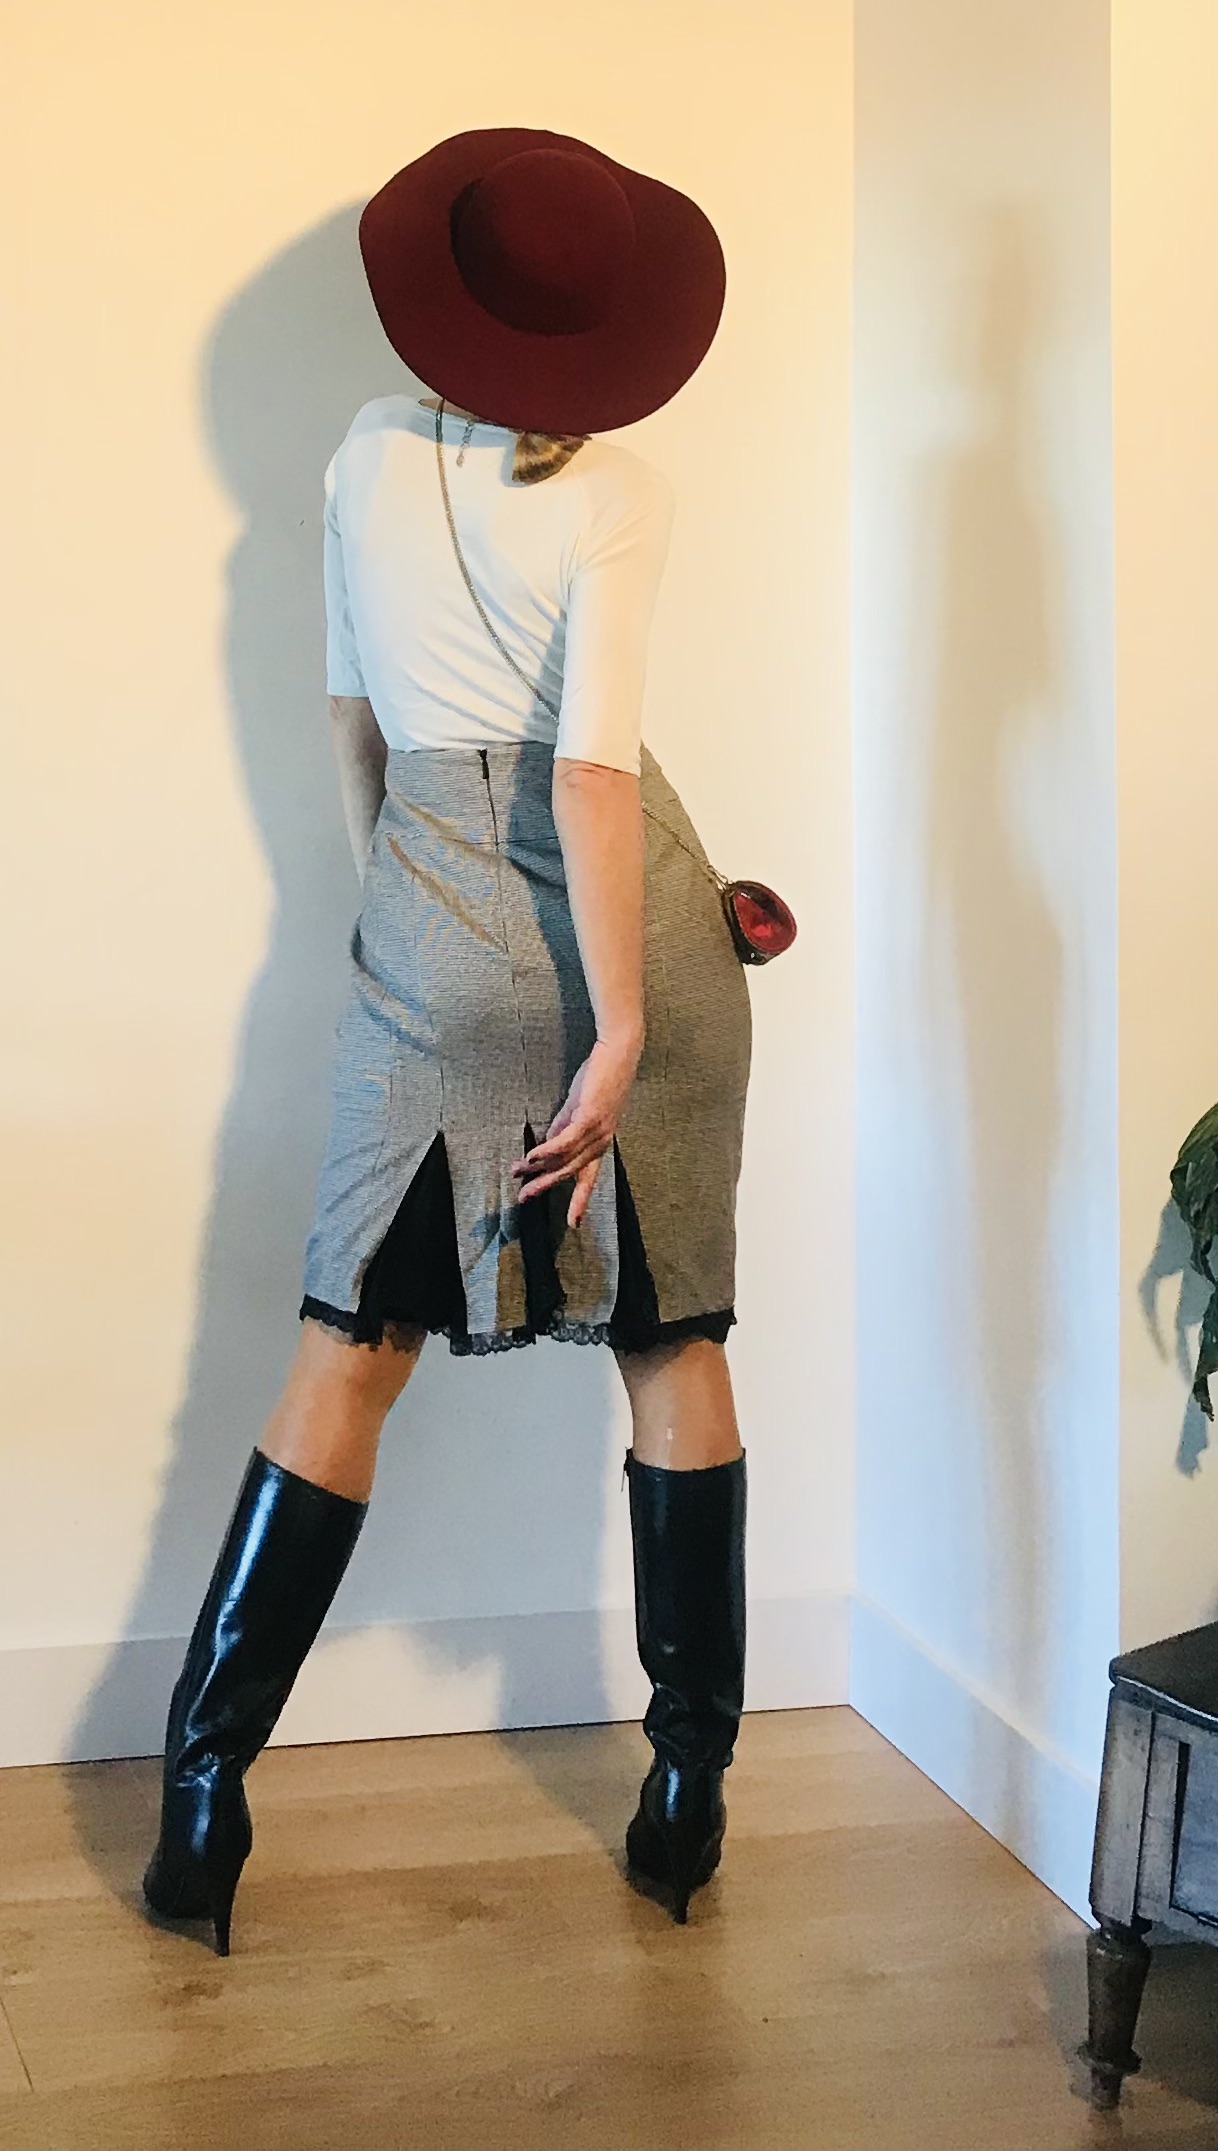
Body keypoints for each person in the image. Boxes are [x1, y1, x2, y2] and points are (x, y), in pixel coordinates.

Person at [143, 126, 752, 1953]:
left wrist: (402, 913)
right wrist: (620, 1023)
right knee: (669, 1340)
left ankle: (201, 1802)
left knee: (347, 1348)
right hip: (628, 921)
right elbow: (590, 773)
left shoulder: (361, 450)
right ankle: (686, 1792)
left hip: (429, 897)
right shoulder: (618, 491)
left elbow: (351, 715)